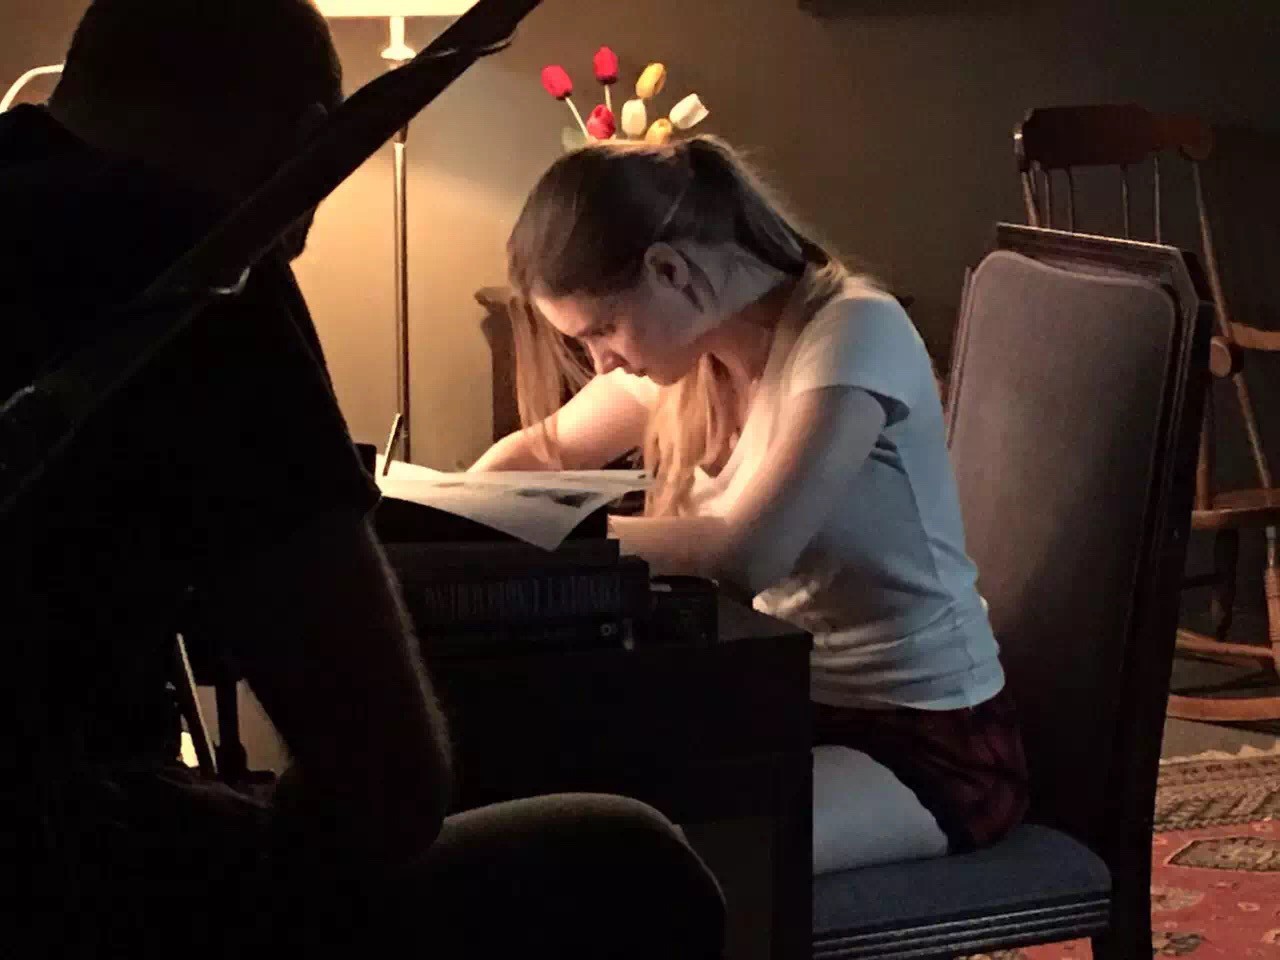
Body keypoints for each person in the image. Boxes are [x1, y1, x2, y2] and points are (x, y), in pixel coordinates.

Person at [1, 2, 724, 956]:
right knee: (633, 864)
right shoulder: (202, 273)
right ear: (314, 143)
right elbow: (387, 784)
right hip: (73, 892)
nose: (295, 242)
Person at [471, 135, 1030, 873]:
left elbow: (749, 551)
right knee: (544, 788)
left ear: (670, 271)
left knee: (652, 860)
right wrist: (447, 512)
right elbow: (541, 452)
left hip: (927, 741)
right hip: (779, 704)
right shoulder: (690, 357)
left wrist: (550, 531)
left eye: (603, 329)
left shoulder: (854, 330)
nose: (601, 361)